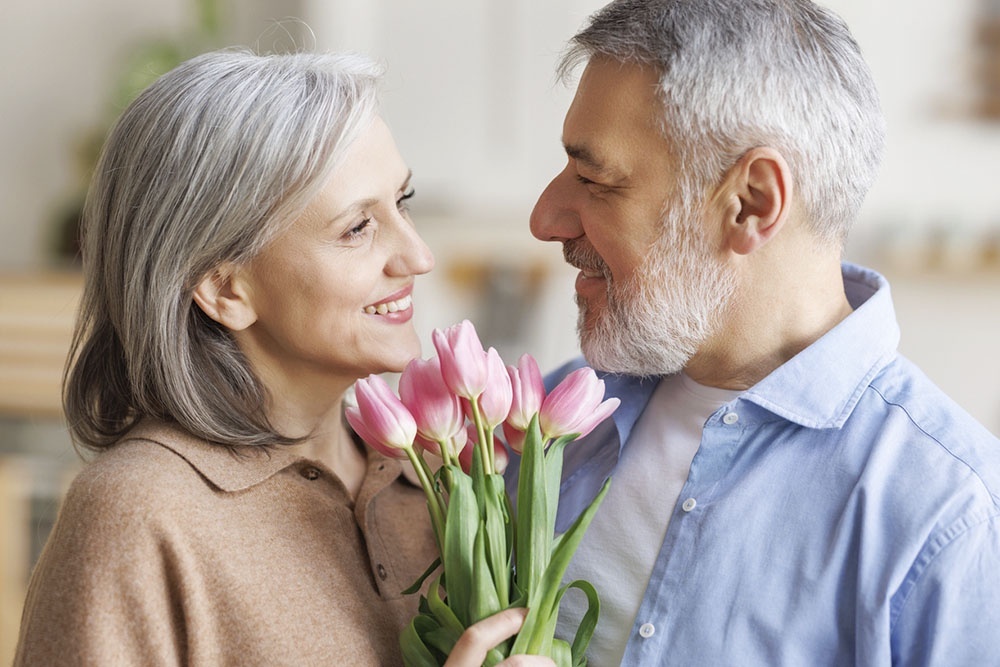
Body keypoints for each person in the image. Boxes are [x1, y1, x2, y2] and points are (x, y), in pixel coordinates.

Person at [14, 48, 551, 667]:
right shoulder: (137, 516)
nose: (418, 257)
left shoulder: (441, 481)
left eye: (402, 203)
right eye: (357, 229)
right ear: (225, 290)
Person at [512, 0, 1000, 664]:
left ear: (751, 203)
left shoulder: (952, 517)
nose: (546, 218)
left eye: (596, 181)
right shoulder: (541, 419)